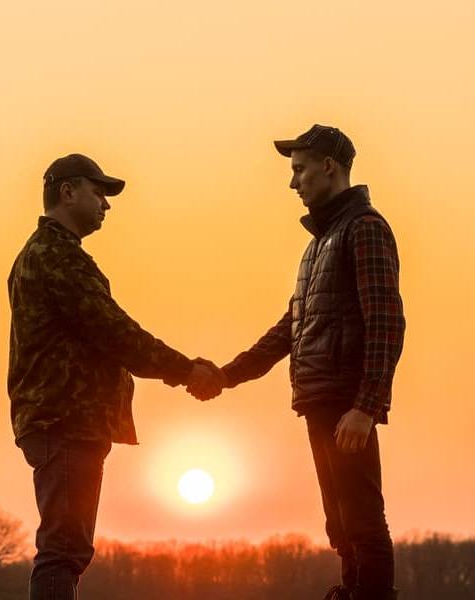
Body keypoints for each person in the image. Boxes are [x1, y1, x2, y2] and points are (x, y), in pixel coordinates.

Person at [190, 125, 406, 600]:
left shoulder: (365, 229)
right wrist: (227, 375)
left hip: (346, 402)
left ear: (329, 166)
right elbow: (290, 328)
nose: (294, 183)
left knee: (364, 520)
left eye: (300, 170)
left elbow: (387, 322)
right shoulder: (319, 244)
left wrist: (366, 406)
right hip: (318, 399)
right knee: (341, 522)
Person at [7, 153, 222, 600]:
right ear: (68, 192)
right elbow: (115, 331)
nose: (106, 204)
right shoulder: (56, 257)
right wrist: (185, 370)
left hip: (64, 421)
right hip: (65, 421)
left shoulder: (47, 255)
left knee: (67, 547)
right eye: (98, 191)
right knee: (63, 549)